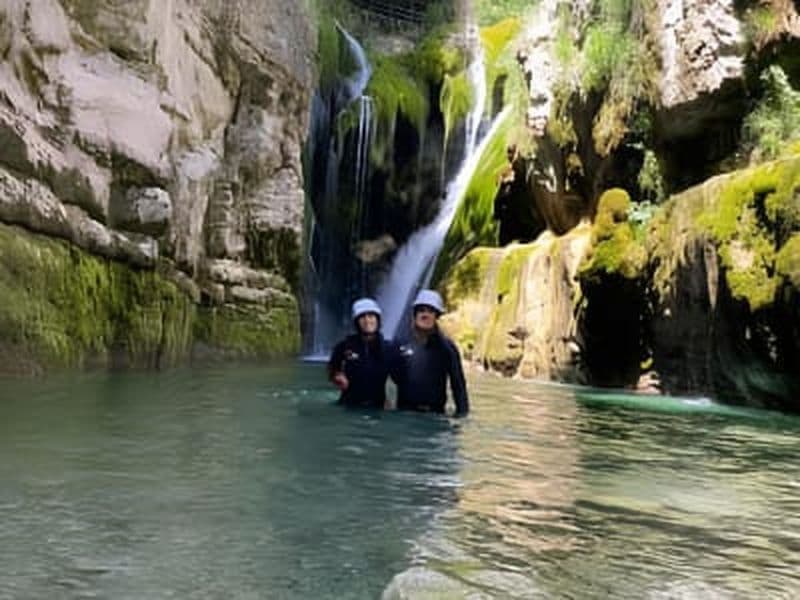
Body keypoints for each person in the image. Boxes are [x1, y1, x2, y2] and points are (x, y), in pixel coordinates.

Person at [395, 289, 469, 417]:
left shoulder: (447, 349)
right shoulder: (400, 344)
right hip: (405, 414)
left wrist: (462, 416)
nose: (425, 315)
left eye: (430, 311)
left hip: (435, 416)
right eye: (421, 310)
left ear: (436, 316)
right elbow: (384, 374)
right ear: (415, 314)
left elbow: (458, 386)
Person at [327, 297, 398, 409]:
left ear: (377, 320)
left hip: (377, 408)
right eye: (362, 317)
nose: (367, 321)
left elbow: (399, 376)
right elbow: (332, 367)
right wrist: (337, 376)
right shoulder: (345, 345)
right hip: (348, 406)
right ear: (356, 321)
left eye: (371, 316)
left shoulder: (389, 348)